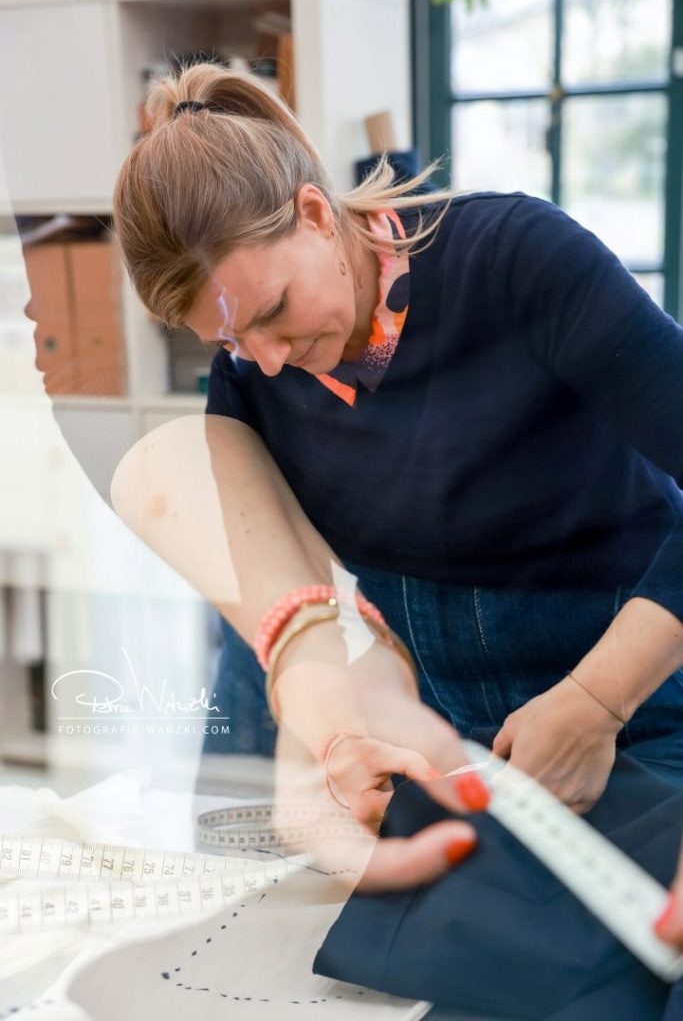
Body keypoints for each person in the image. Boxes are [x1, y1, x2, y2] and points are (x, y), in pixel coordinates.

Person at [108, 61, 683, 899]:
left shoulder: (518, 259)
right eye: (228, 344)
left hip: (631, 694)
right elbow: (284, 607)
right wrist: (337, 739)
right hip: (417, 724)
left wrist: (596, 701)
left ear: (312, 211)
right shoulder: (254, 377)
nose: (264, 361)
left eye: (270, 314)